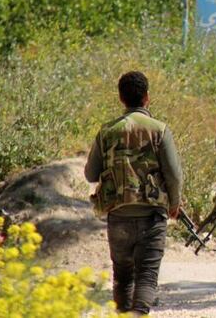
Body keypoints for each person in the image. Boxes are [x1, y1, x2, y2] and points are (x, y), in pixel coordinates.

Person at [85, 71, 183, 316]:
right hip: (151, 216)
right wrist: (174, 203)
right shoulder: (159, 130)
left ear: (121, 98)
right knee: (147, 274)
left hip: (118, 216)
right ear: (147, 97)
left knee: (122, 275)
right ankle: (138, 313)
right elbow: (174, 175)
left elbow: (90, 174)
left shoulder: (106, 131)